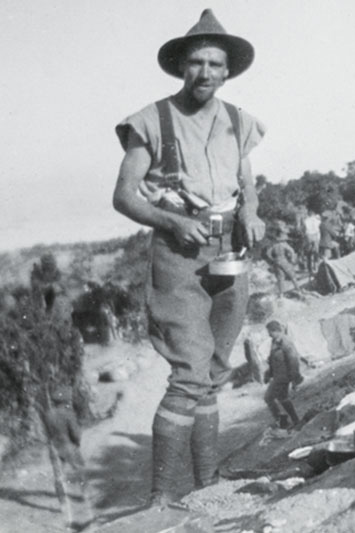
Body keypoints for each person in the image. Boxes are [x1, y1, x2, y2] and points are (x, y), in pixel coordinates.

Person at [112, 9, 265, 505]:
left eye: (215, 65)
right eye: (196, 63)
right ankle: (159, 499)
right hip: (177, 254)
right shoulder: (151, 121)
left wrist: (253, 213)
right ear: (181, 66)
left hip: (229, 253)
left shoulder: (239, 121)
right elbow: (125, 195)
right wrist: (174, 221)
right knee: (189, 373)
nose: (205, 73)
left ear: (227, 71)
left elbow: (246, 181)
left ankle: (208, 487)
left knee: (216, 370)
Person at [263, 320, 304, 428]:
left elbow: (294, 361)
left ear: (276, 330)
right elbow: (273, 360)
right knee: (282, 398)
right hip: (278, 376)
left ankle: (282, 421)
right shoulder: (275, 341)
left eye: (270, 332)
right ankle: (294, 421)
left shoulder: (286, 342)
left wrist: (295, 379)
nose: (268, 334)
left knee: (268, 397)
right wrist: (268, 374)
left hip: (284, 377)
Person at [264, 233, 301, 298]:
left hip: (276, 261)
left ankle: (281, 294)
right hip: (284, 261)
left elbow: (267, 253)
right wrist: (292, 259)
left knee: (280, 278)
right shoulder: (284, 245)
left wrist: (272, 260)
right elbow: (292, 251)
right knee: (292, 276)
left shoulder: (274, 245)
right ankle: (298, 290)